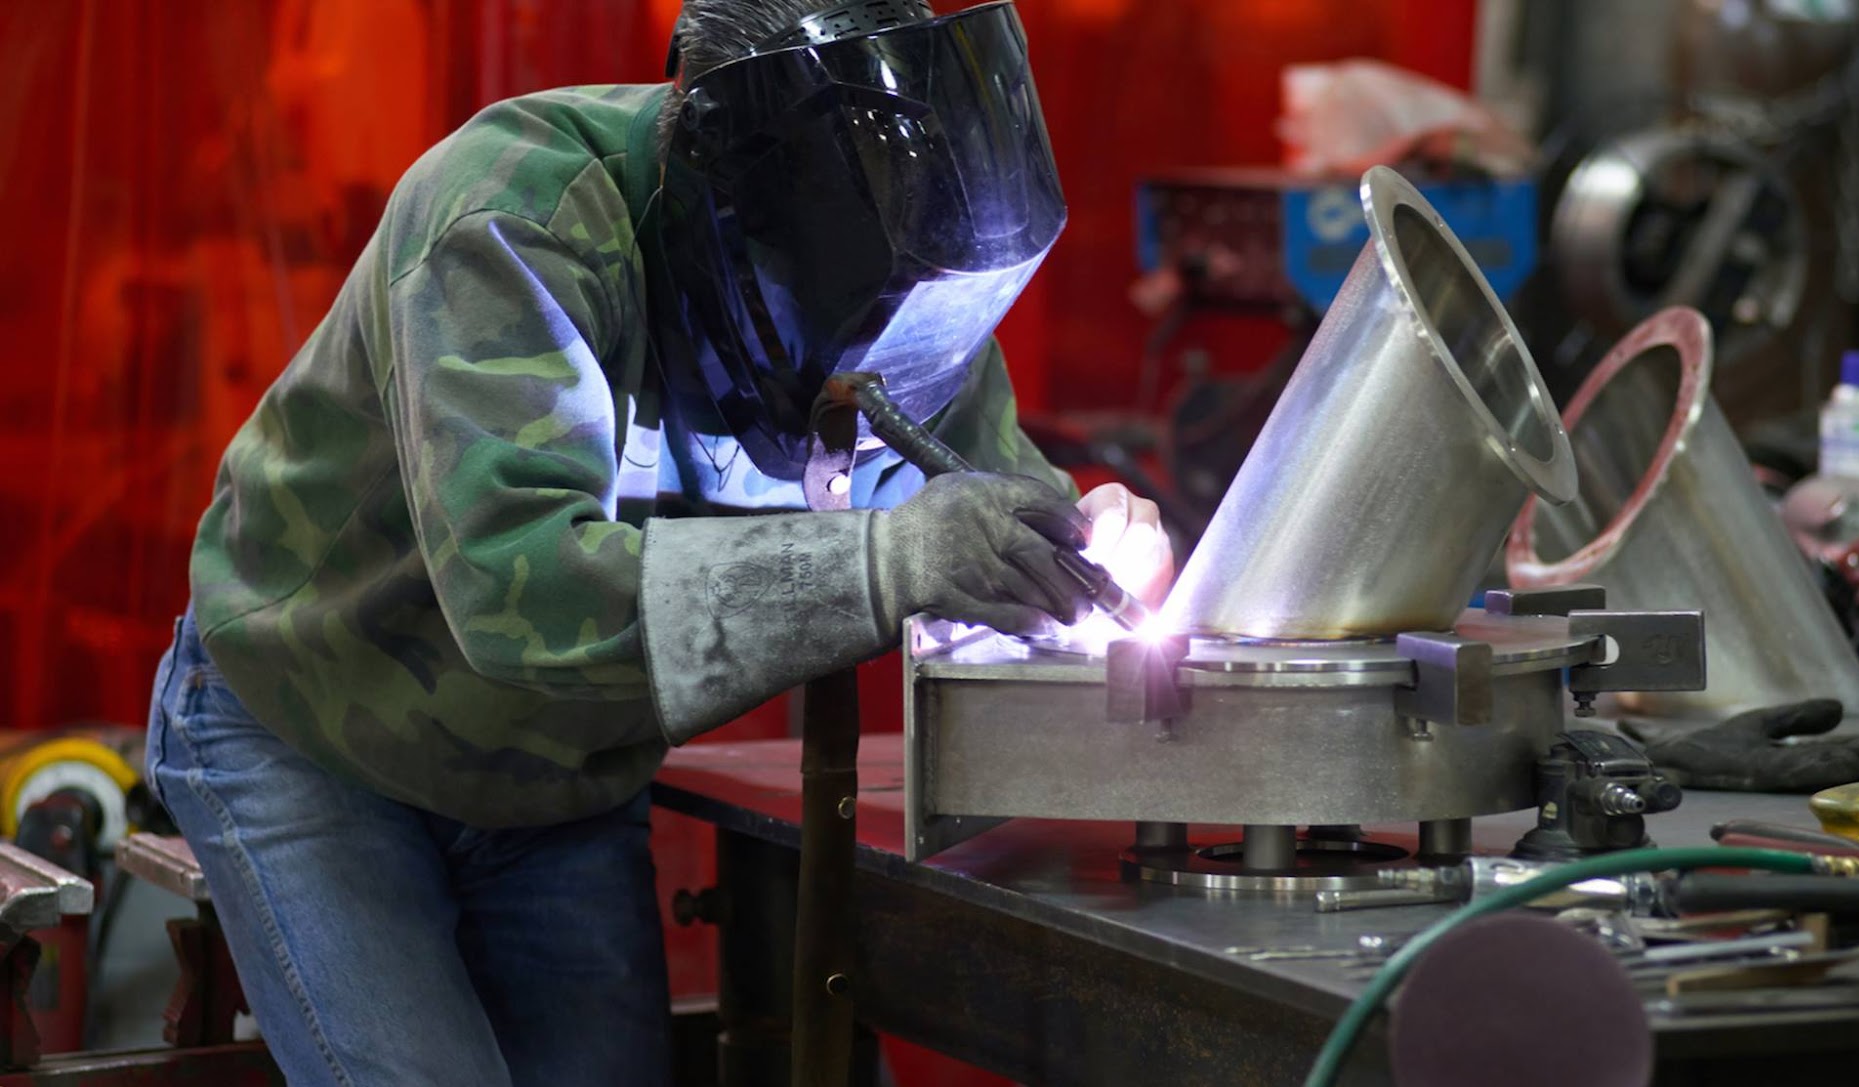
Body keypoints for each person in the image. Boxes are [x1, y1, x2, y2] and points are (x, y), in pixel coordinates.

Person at [143, 1, 1172, 1084]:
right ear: (739, 208)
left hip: (556, 778)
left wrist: (1084, 542)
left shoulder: (898, 276)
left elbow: (989, 507)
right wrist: (889, 563)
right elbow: (521, 596)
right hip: (317, 727)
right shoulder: (515, 217)